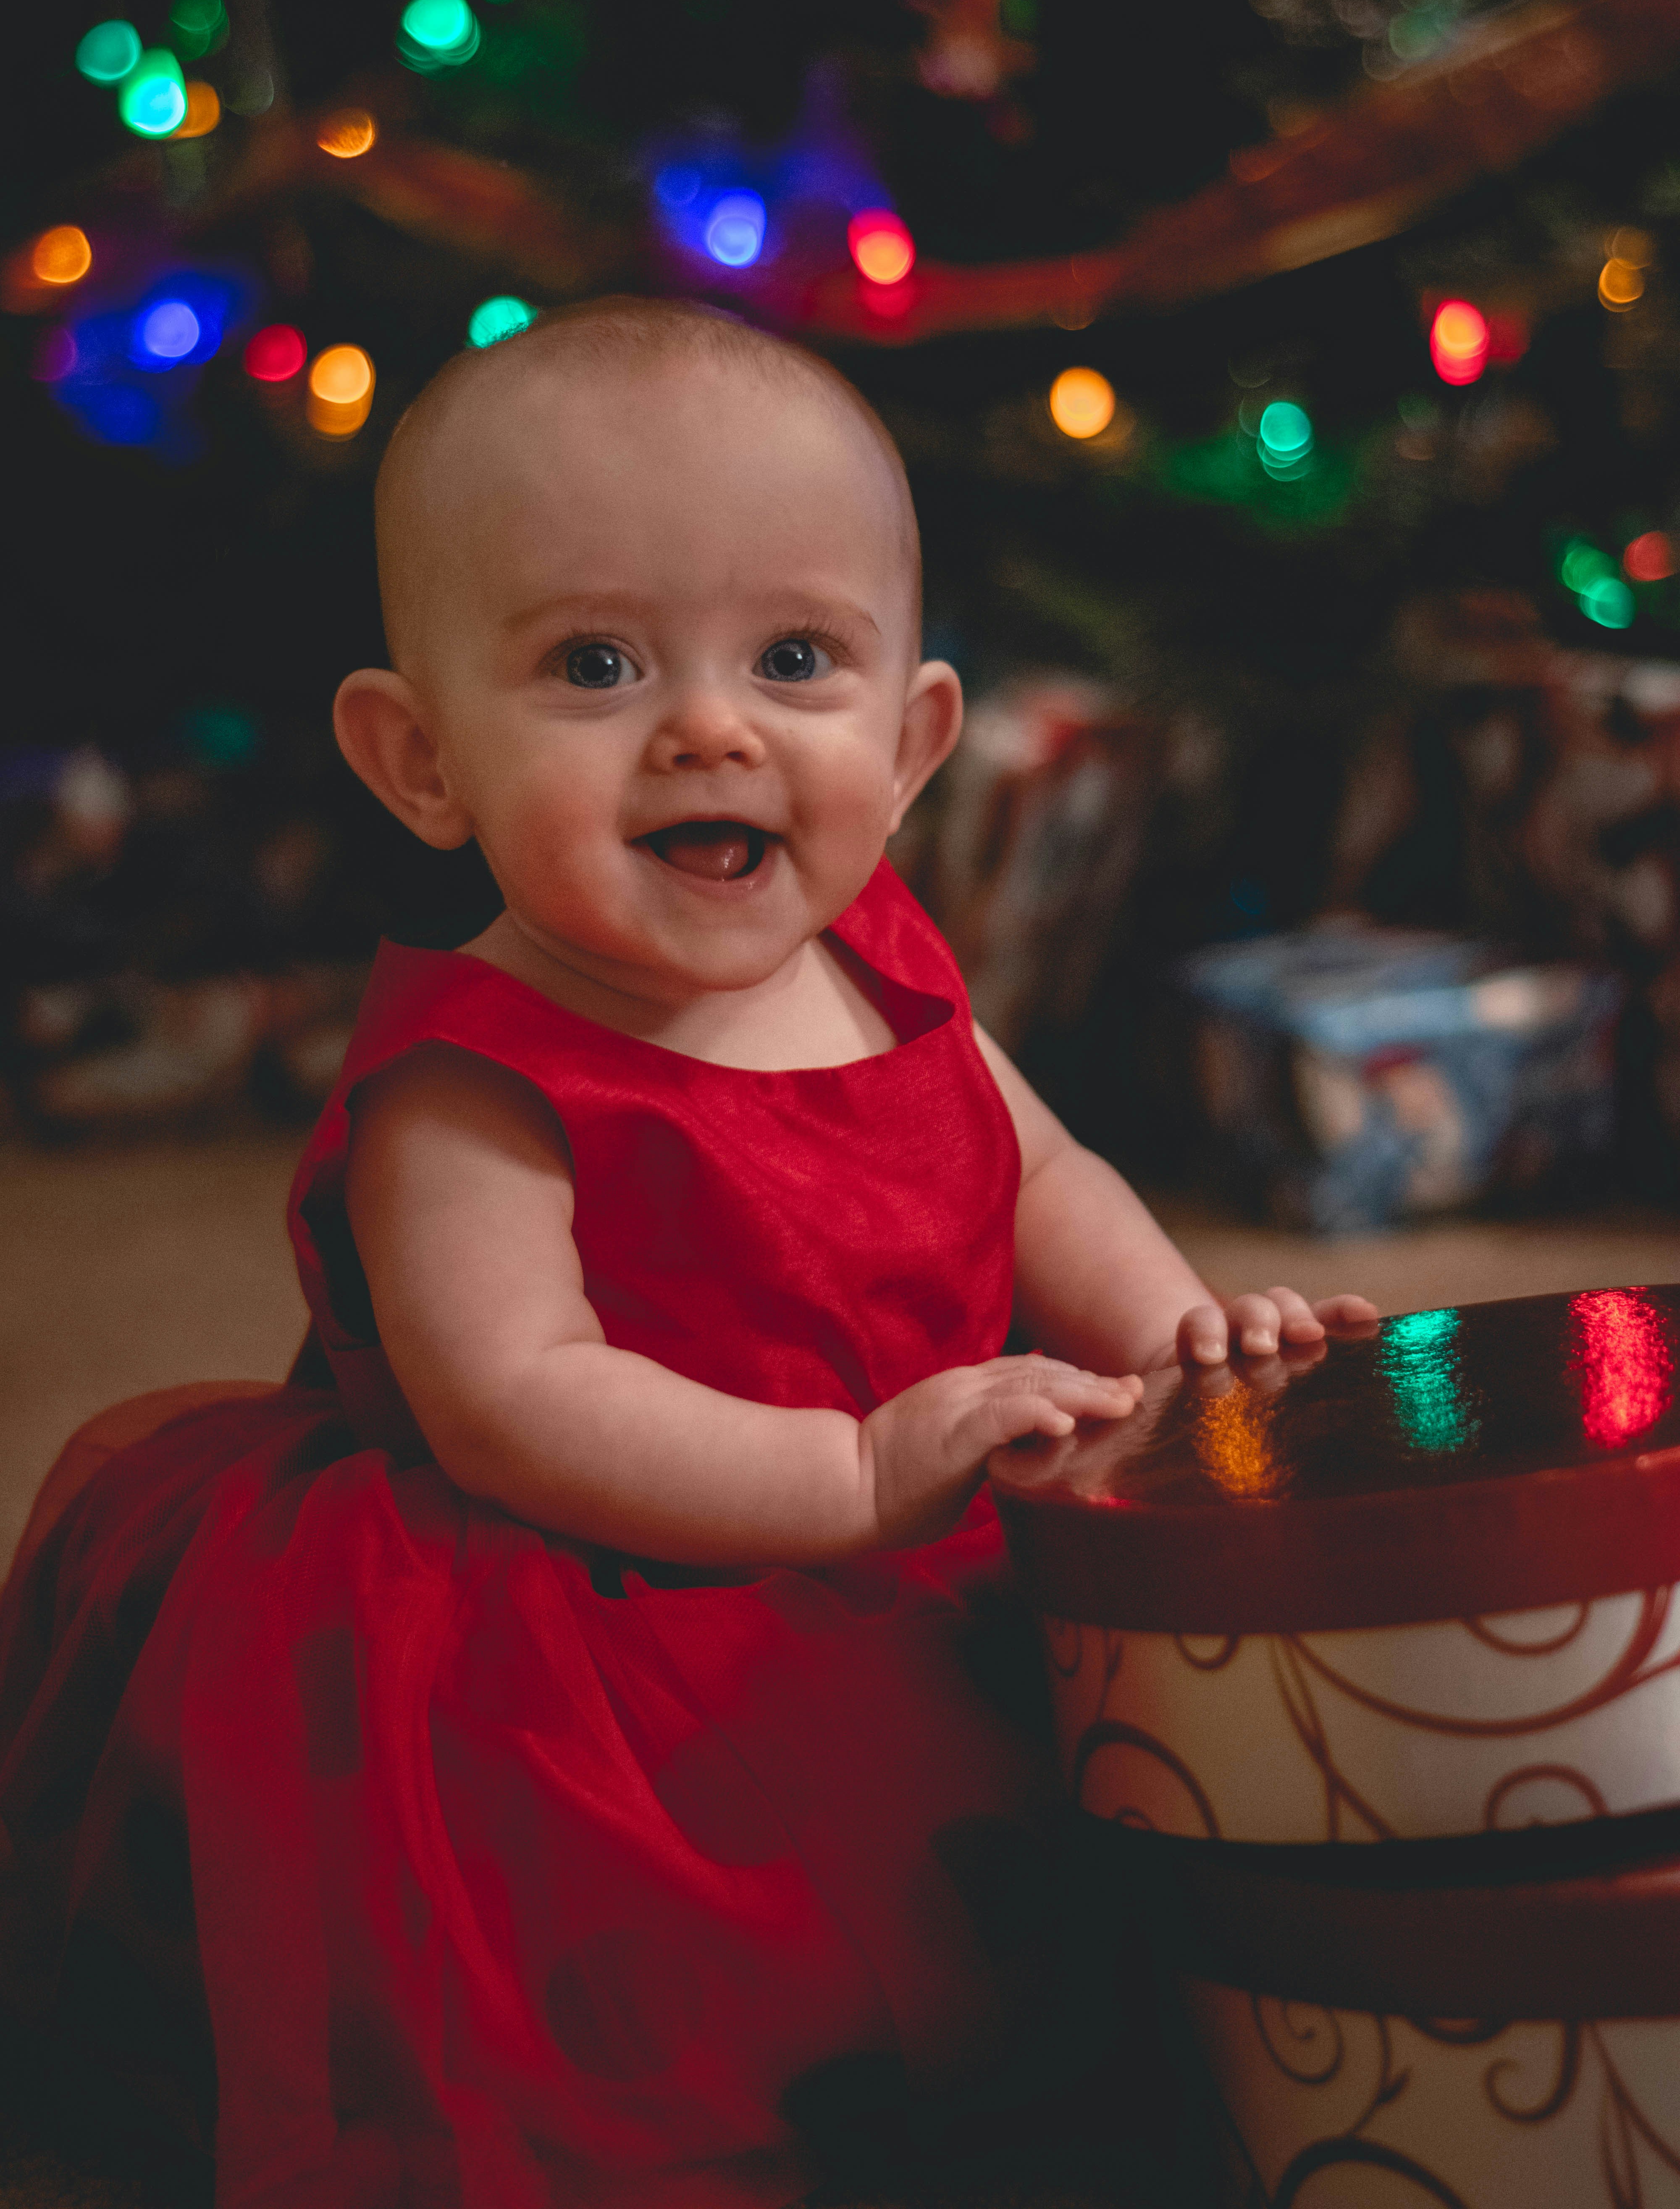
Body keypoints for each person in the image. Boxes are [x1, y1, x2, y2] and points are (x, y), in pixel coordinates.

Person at [0, 299, 1375, 2209]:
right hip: (601, 1617)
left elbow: (1034, 1167)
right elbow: (513, 1403)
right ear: (420, 762)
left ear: (908, 746)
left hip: (908, 1499)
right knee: (705, 2003)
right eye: (594, 663)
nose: (710, 724)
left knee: (1131, 1818)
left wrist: (1185, 1346)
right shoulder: (467, 1083)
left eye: (794, 658)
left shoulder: (884, 952)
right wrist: (851, 1471)